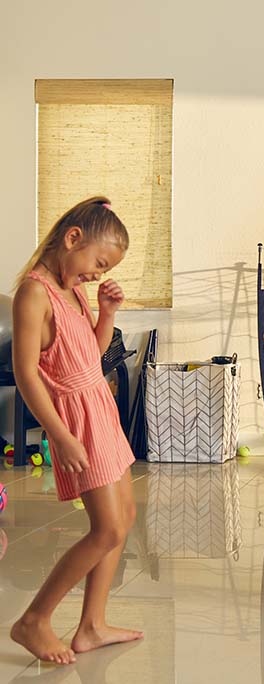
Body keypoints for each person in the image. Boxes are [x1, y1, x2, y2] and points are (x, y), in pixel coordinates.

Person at [10, 197, 142, 664]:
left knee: (122, 520)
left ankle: (91, 626)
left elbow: (91, 354)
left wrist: (105, 313)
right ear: (72, 239)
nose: (97, 274)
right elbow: (26, 372)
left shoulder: (72, 290)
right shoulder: (35, 293)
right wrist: (59, 436)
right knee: (105, 529)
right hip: (77, 423)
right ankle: (33, 620)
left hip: (100, 410)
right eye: (98, 264)